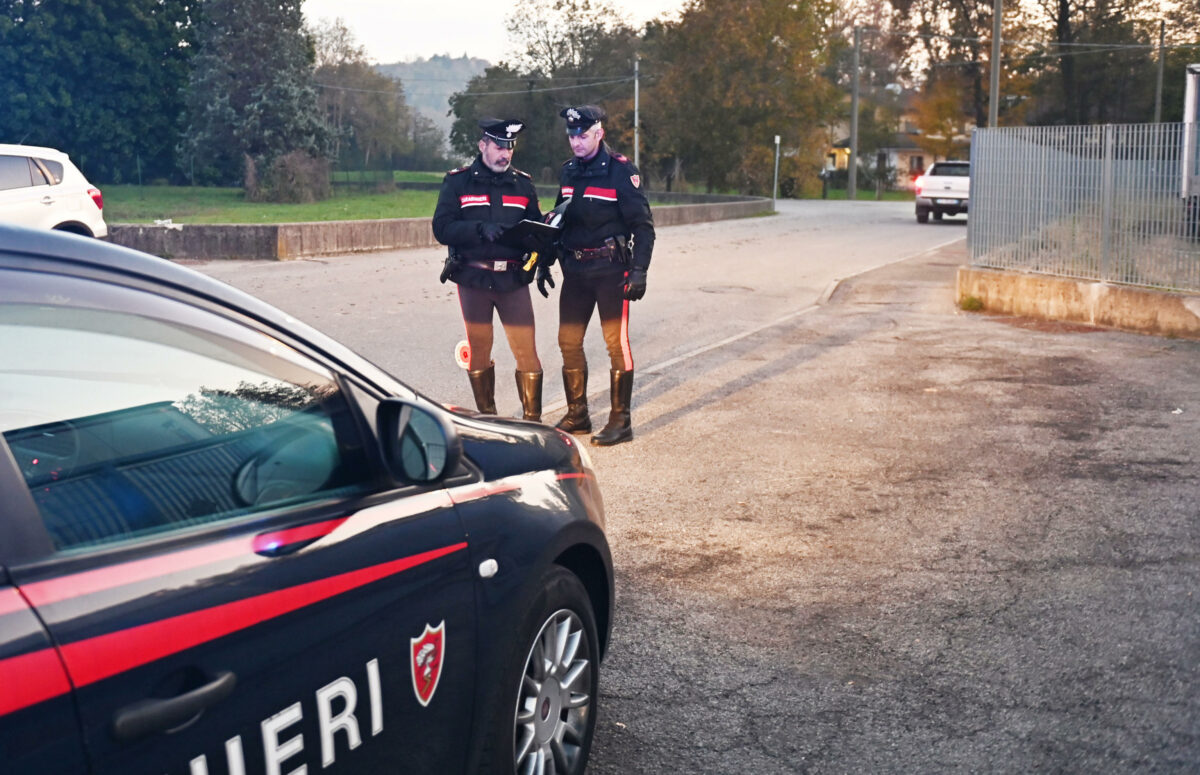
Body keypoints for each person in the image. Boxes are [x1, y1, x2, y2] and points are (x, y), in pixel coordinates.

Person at [540, 105, 654, 446]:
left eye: (583, 135)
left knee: (615, 344)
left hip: (610, 271)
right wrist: (545, 258)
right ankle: (578, 414)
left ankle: (621, 422)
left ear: (599, 134)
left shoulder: (620, 171)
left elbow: (643, 226)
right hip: (575, 270)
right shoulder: (568, 173)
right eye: (571, 136)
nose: (576, 142)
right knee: (568, 342)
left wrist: (639, 271)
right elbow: (560, 218)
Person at [432, 117, 545, 420]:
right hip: (473, 278)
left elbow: (535, 232)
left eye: (510, 147)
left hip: (512, 279)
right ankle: (488, 417)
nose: (505, 153)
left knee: (526, 351)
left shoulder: (523, 184)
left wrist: (539, 254)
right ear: (483, 145)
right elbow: (442, 228)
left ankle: (533, 420)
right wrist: (479, 229)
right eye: (498, 146)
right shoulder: (458, 181)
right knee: (480, 350)